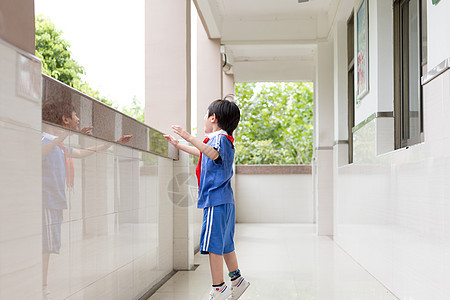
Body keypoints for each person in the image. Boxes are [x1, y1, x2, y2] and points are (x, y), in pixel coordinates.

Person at [41, 102, 132, 299]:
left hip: (54, 202)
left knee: (48, 246)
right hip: (47, 202)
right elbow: (38, 153)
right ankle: (42, 285)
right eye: (75, 116)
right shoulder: (45, 139)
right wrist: (62, 137)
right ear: (65, 120)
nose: (78, 120)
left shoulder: (60, 145)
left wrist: (111, 143)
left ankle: (42, 284)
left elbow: (81, 153)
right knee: (45, 247)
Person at [164, 97, 250, 300]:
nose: (203, 118)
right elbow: (202, 153)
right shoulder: (223, 140)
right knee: (226, 244)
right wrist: (179, 144)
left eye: (205, 114)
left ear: (213, 118)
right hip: (225, 200)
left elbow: (209, 153)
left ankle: (218, 288)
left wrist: (187, 135)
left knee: (214, 245)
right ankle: (237, 281)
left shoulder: (219, 140)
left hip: (216, 200)